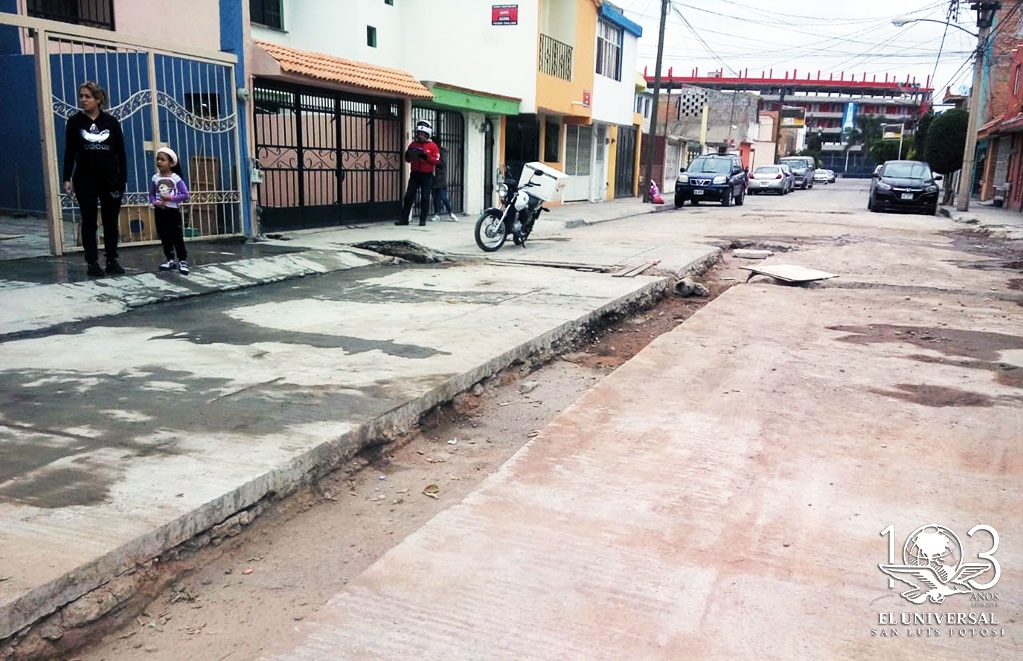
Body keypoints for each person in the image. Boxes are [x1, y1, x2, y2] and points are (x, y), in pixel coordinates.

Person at [63, 81, 127, 277]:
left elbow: (121, 153)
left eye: (87, 96)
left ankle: (111, 259)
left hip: (109, 179)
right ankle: (92, 262)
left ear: (98, 99)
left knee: (110, 221)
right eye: (81, 96)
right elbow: (70, 152)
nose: (83, 100)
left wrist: (122, 179)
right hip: (85, 179)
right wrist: (66, 178)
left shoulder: (111, 122)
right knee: (89, 221)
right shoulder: (75, 122)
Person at [149, 146, 192, 275]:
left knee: (176, 236)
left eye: (163, 159)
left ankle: (182, 260)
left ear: (171, 163)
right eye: (158, 159)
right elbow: (151, 194)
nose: (159, 162)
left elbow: (185, 195)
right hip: (160, 211)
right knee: (164, 236)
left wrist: (171, 198)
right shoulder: (155, 178)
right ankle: (170, 259)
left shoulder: (176, 179)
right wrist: (155, 202)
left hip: (172, 211)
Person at [396, 119, 439, 226]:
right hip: (415, 174)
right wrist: (408, 154)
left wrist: (426, 156)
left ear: (427, 134)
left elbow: (436, 161)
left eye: (422, 134)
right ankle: (404, 219)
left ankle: (422, 220)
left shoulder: (433, 146)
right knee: (409, 196)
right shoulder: (413, 144)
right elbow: (408, 160)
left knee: (425, 197)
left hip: (427, 175)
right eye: (419, 134)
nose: (420, 136)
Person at [429, 145, 458, 222]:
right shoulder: (432, 152)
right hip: (433, 177)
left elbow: (442, 164)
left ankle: (451, 212)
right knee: (435, 197)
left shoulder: (442, 152)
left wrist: (433, 160)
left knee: (443, 196)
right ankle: (437, 213)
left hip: (441, 177)